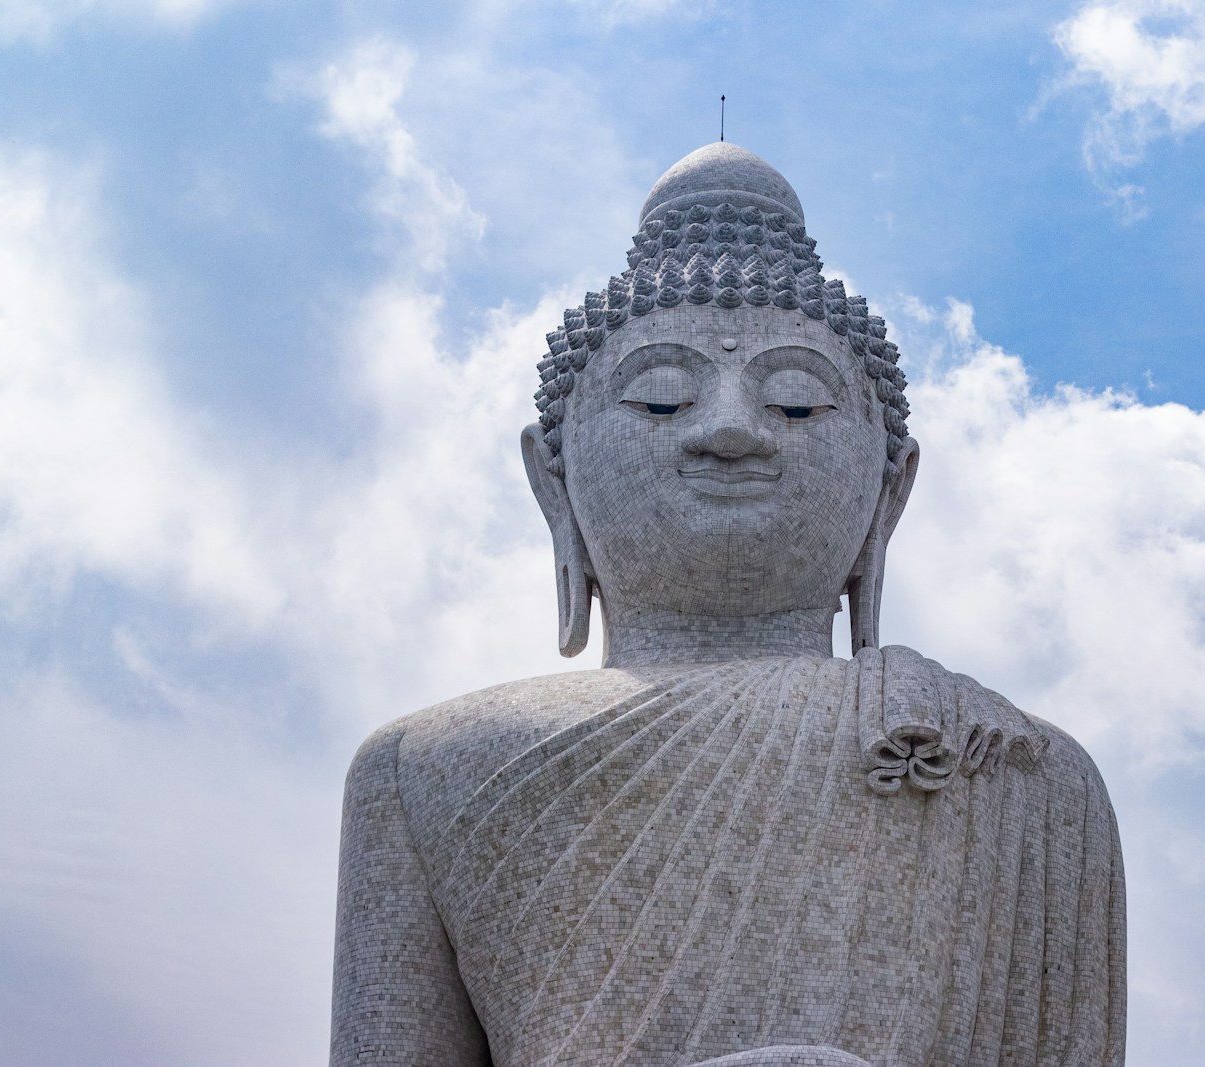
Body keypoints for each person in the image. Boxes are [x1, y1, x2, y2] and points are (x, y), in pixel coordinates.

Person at [330, 143, 1125, 1067]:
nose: (730, 430)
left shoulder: (1024, 774)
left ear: (889, 491)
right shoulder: (420, 770)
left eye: (795, 404)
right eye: (662, 400)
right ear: (554, 480)